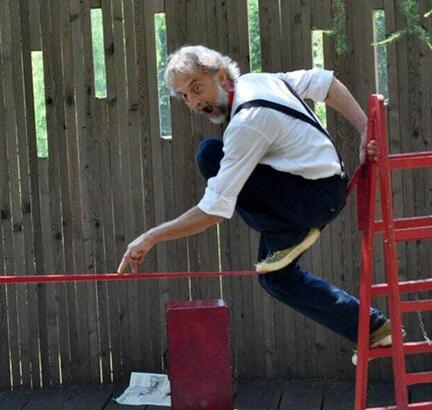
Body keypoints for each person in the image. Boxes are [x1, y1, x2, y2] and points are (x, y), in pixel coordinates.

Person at [117, 45, 392, 363]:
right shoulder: (261, 81)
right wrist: (364, 128)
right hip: (323, 186)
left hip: (311, 201)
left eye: (196, 88)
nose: (194, 102)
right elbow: (324, 82)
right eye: (184, 96)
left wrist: (151, 236)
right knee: (275, 279)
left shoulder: (247, 122)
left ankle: (286, 234)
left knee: (210, 155)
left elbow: (213, 210)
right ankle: (373, 328)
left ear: (221, 76)